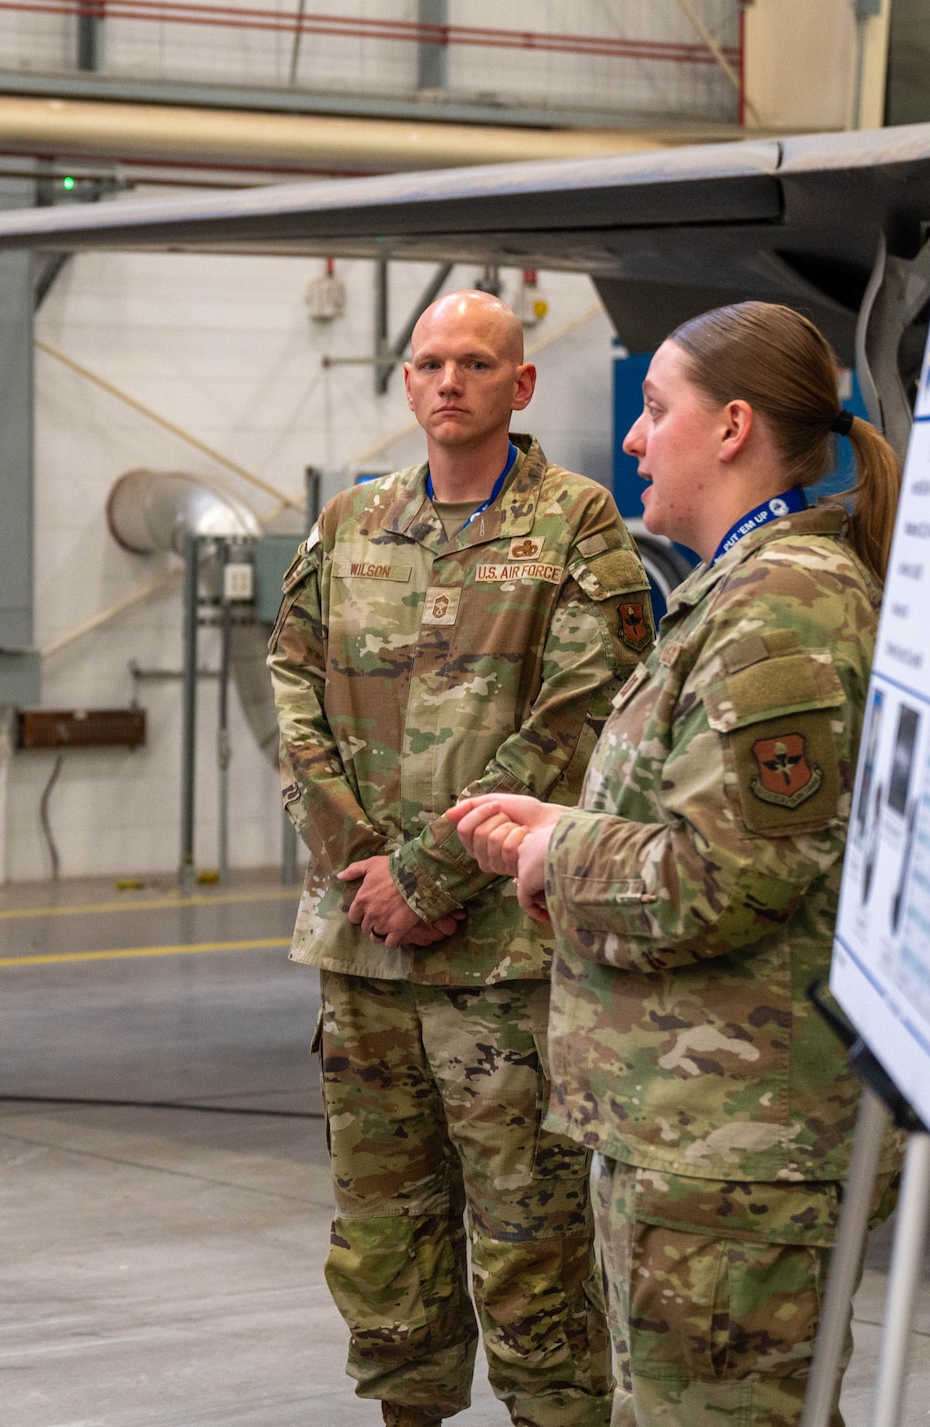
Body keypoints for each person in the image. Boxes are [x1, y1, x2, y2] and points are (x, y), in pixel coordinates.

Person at [452, 300, 901, 1427]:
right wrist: (564, 822)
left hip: (732, 1155)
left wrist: (557, 848)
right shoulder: (743, 594)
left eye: (657, 410)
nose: (632, 440)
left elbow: (722, 874)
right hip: (697, 1142)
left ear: (734, 426)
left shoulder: (782, 609)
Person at [269, 289, 656, 1427]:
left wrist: (428, 876)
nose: (450, 381)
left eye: (477, 363)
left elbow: (584, 713)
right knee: (384, 1240)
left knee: (531, 1244)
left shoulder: (577, 524)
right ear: (404, 381)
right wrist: (361, 865)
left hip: (502, 960)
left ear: (519, 385)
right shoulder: (349, 525)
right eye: (430, 361)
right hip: (362, 952)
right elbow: (293, 691)